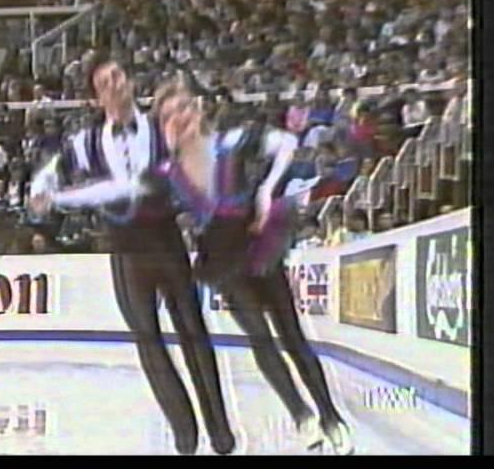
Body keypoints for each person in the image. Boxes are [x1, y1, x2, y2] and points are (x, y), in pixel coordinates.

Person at [30, 53, 235, 455]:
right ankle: (184, 431)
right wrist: (42, 188)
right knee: (147, 338)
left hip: (166, 241)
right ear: (96, 98)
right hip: (125, 251)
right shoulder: (85, 142)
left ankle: (220, 429)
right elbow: (51, 170)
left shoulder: (162, 129)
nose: (113, 85)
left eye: (117, 77)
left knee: (193, 330)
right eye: (104, 83)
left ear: (129, 82)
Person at [151, 79, 353, 455]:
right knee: (259, 336)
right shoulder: (167, 173)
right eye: (168, 115)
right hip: (221, 258)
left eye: (182, 108)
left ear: (195, 109)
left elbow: (289, 144)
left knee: (292, 337)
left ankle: (330, 416)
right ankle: (300, 415)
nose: (179, 118)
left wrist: (265, 190)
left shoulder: (231, 142)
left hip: (258, 243)